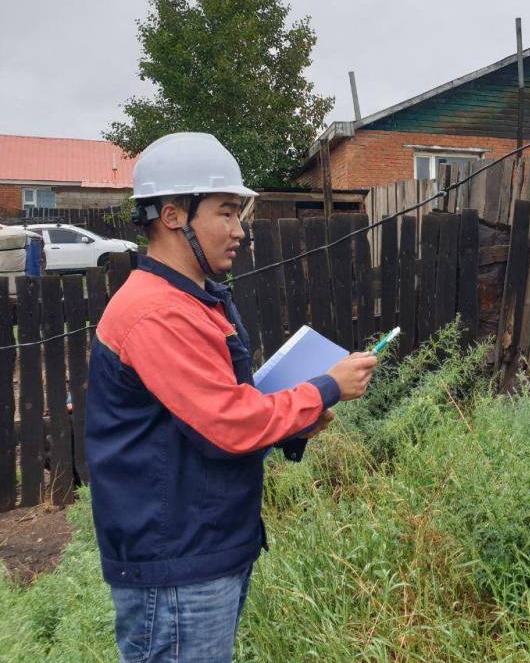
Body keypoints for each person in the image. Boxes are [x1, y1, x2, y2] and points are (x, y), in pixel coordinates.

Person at [85, 132, 378, 663]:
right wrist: (327, 387)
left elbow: (219, 412)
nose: (240, 230)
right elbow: (230, 423)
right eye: (225, 212)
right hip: (176, 561)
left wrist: (292, 416)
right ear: (173, 215)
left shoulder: (194, 300)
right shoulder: (158, 312)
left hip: (203, 546)